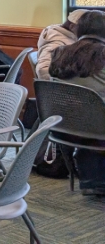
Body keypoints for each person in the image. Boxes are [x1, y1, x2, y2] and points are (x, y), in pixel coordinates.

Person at [49, 10, 105, 195]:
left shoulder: (59, 53)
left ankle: (92, 178)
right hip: (97, 130)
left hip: (62, 127)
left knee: (89, 113)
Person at [36, 9, 87, 80]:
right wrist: (71, 81)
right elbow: (42, 70)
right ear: (72, 27)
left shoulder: (66, 35)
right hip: (64, 86)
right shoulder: (56, 43)